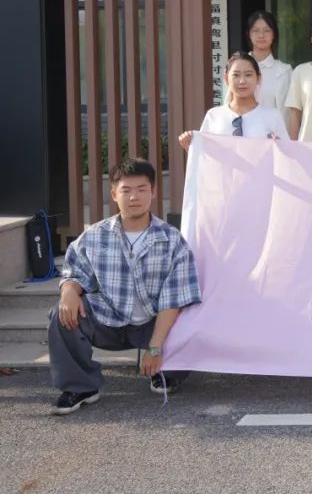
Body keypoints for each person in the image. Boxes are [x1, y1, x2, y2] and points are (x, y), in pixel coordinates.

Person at [48, 158, 201, 415]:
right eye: (126, 190)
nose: (134, 197)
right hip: (107, 320)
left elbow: (173, 299)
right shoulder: (95, 235)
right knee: (61, 313)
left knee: (190, 315)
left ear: (153, 192)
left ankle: (167, 371)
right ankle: (81, 387)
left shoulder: (172, 240)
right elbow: (74, 271)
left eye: (142, 189)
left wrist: (155, 347)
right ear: (114, 194)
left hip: (152, 324)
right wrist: (69, 291)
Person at [178, 52, 289, 150]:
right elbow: (204, 157)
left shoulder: (272, 116)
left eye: (248, 75)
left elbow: (287, 156)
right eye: (236, 75)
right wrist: (190, 147)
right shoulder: (214, 116)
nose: (242, 81)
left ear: (258, 78)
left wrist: (280, 147)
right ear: (226, 78)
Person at [233, 10, 292, 117]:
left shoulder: (284, 71)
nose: (261, 35)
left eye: (267, 30)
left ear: (274, 34)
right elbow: (227, 106)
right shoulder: (235, 67)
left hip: (273, 127)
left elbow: (286, 113)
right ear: (248, 34)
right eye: (255, 31)